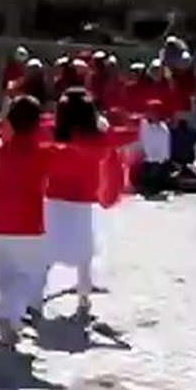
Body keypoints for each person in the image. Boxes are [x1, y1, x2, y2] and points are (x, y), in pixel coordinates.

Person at [39, 89, 135, 322]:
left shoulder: (49, 133)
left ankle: (35, 297)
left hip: (53, 199)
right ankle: (84, 298)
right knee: (84, 255)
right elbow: (131, 133)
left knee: (45, 253)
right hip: (82, 203)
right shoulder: (99, 140)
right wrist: (106, 126)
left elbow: (18, 127)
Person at [0, 95, 53, 349]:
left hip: (0, 226)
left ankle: (7, 325)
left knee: (6, 279)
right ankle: (7, 319)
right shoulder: (45, 154)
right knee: (30, 279)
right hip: (32, 226)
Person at [137, 99, 173, 195]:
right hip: (144, 163)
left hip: (159, 165)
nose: (150, 114)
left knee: (156, 172)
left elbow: (165, 155)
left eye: (154, 111)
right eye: (150, 111)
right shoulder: (142, 125)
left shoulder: (164, 130)